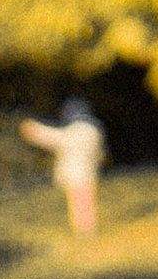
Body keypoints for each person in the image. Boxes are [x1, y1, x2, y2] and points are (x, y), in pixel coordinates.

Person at [18, 97, 104, 240]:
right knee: (84, 200)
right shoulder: (93, 129)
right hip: (87, 170)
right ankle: (86, 230)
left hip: (77, 172)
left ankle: (85, 231)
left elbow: (57, 139)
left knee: (80, 201)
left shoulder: (79, 130)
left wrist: (34, 131)